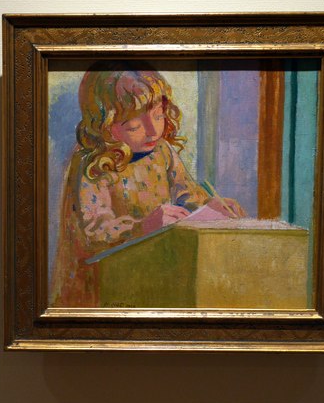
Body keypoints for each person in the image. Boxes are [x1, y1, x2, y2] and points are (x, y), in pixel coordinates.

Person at [50, 61, 245, 307]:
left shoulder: (162, 150)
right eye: (134, 125)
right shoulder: (93, 161)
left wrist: (210, 206)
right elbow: (94, 232)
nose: (153, 131)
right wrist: (143, 226)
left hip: (150, 269)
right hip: (102, 282)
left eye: (158, 115)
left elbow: (188, 195)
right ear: (104, 127)